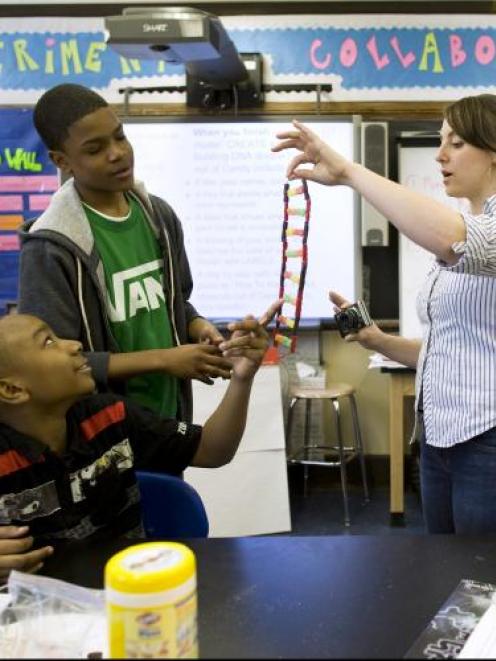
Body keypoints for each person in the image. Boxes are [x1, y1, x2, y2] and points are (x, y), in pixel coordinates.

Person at [273, 95, 496, 534]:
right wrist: (377, 340)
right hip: (439, 438)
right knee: (447, 574)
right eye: (439, 140)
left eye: (457, 142)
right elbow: (456, 351)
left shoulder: (468, 234)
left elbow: (455, 240)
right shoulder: (464, 225)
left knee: (483, 578)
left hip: (487, 439)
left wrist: (349, 172)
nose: (440, 154)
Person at [0, 310, 270, 579]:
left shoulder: (111, 416)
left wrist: (242, 378)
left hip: (133, 592)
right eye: (48, 342)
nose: (74, 344)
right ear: (12, 390)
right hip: (38, 611)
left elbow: (212, 450)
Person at [18, 83, 231, 422]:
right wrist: (165, 359)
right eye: (95, 149)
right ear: (62, 161)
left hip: (167, 418)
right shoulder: (50, 247)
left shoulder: (159, 217)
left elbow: (174, 303)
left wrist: (198, 326)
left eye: (120, 136)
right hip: (101, 433)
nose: (117, 153)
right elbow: (50, 362)